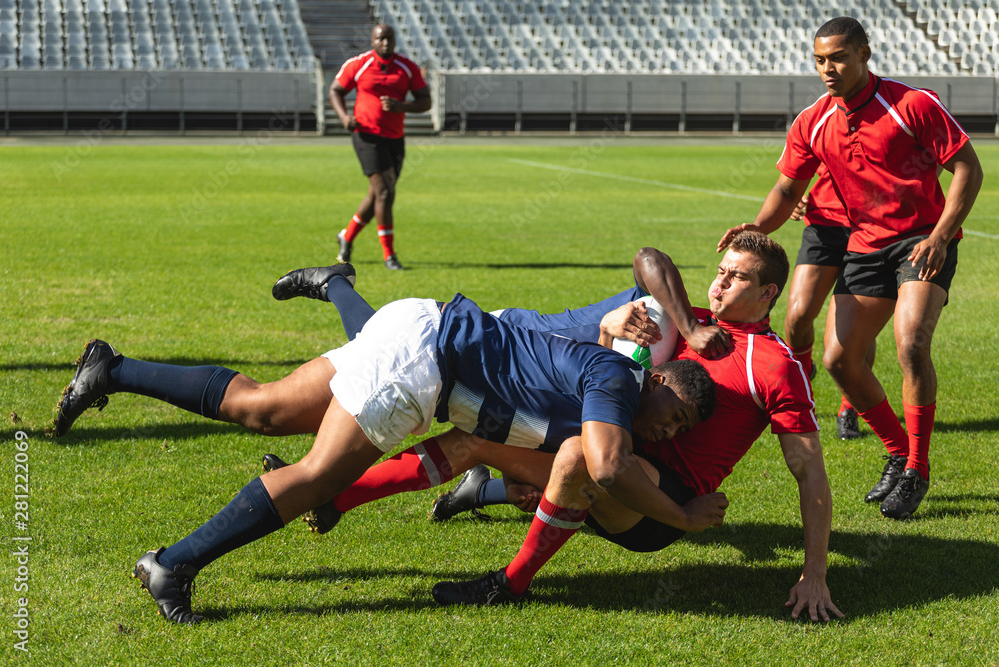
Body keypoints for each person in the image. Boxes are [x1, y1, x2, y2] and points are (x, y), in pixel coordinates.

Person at [52, 269, 718, 624]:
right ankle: (173, 563)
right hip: (423, 364)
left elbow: (608, 327)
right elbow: (606, 463)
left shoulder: (607, 355)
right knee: (314, 476)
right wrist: (683, 516)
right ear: (655, 375)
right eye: (672, 415)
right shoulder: (617, 380)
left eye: (678, 430)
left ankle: (113, 368)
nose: (667, 431)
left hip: (416, 325)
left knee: (262, 408)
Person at [274, 231, 841, 622]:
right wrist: (616, 324)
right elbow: (648, 261)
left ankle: (509, 583)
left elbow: (809, 472)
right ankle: (337, 499)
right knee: (477, 433)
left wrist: (814, 574)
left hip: (660, 500)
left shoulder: (772, 364)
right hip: (604, 437)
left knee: (576, 455)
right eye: (720, 272)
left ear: (768, 293)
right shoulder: (686, 321)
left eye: (738, 278)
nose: (720, 285)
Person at [717, 17, 983, 521]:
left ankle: (917, 470)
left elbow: (969, 167)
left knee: (912, 342)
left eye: (837, 57)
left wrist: (941, 236)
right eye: (819, 60)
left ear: (864, 53)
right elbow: (788, 190)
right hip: (863, 248)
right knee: (840, 359)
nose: (827, 69)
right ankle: (897, 449)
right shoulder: (814, 119)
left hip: (920, 243)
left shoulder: (912, 105)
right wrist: (757, 228)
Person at [330, 24, 431, 270]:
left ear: (395, 40)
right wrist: (344, 118)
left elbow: (425, 101)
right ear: (373, 40)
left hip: (395, 138)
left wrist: (401, 106)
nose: (385, 43)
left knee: (378, 194)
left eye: (390, 38)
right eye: (380, 38)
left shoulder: (407, 68)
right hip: (366, 135)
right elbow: (335, 90)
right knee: (385, 193)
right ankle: (390, 255)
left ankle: (347, 236)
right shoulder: (359, 63)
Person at [784, 164, 873, 440]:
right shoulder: (816, 119)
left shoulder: (896, 119)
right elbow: (800, 161)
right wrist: (797, 191)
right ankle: (801, 377)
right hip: (824, 222)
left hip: (872, 225)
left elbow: (931, 161)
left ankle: (850, 408)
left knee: (856, 328)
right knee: (798, 315)